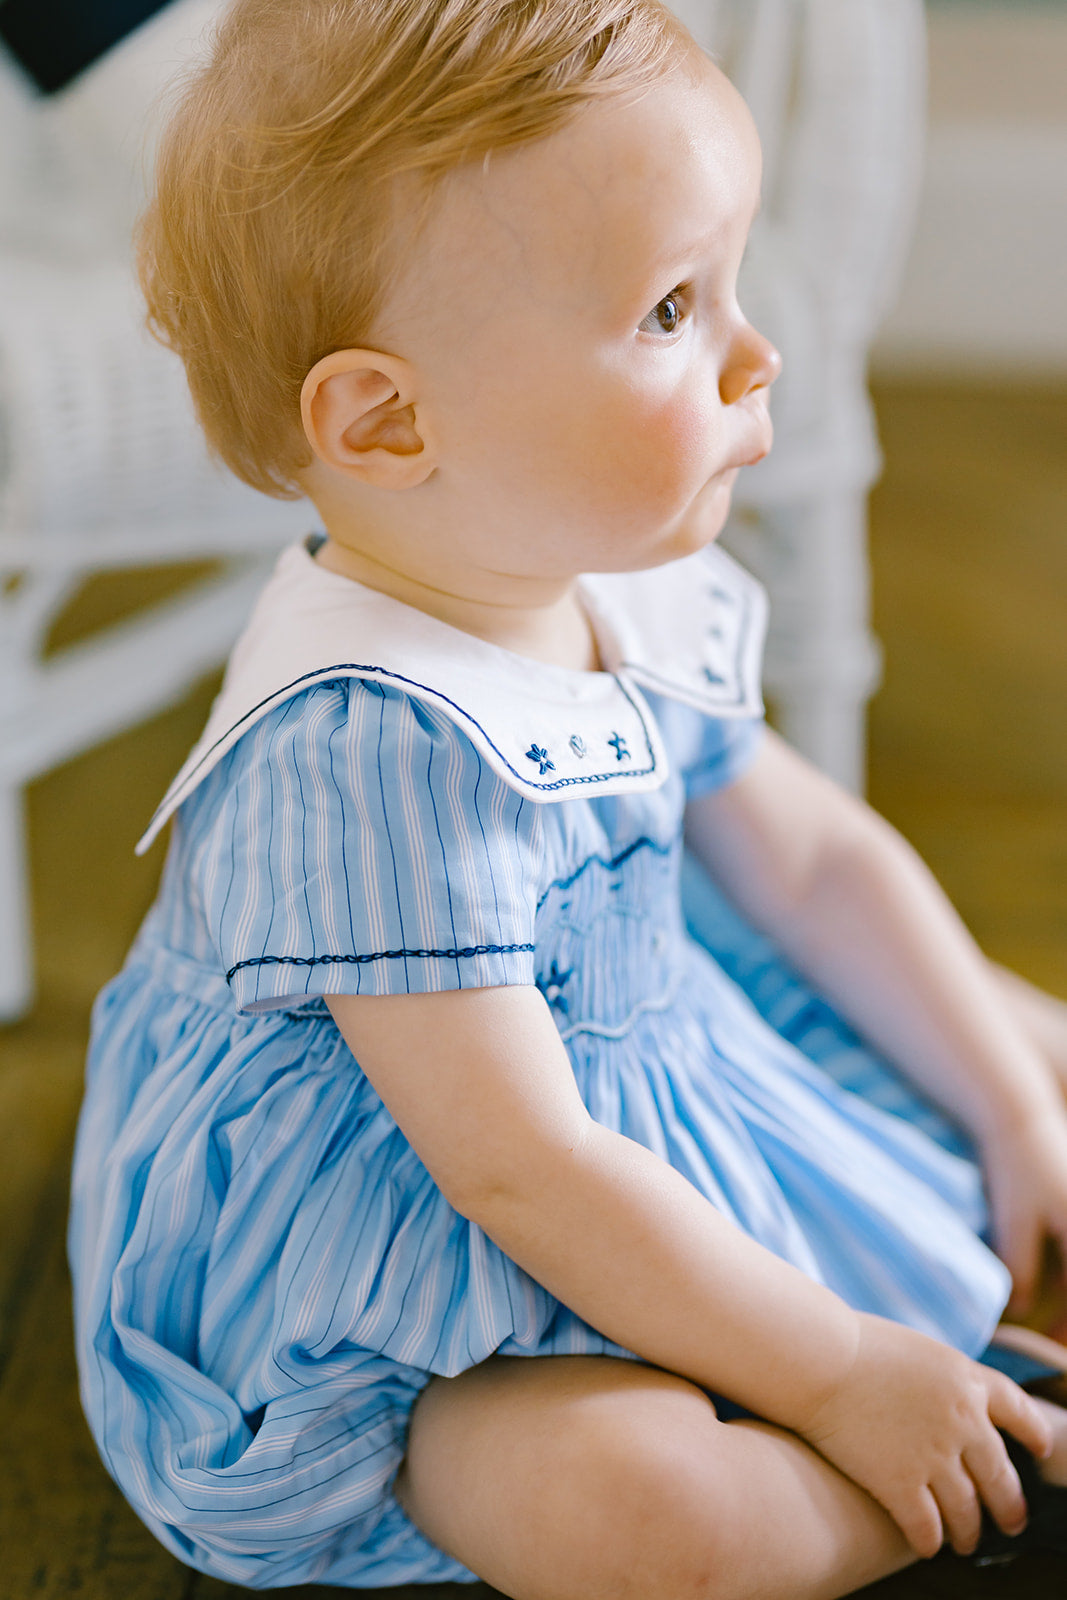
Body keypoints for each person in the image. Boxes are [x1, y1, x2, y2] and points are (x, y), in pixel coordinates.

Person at [68, 0, 1067, 1594]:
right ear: (389, 421)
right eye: (674, 307)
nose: (758, 351)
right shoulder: (364, 755)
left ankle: (962, 1273)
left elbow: (809, 867)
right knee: (639, 1515)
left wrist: (1019, 1110)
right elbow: (522, 1167)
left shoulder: (605, 562)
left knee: (1013, 1036)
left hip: (625, 1058)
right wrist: (832, 1373)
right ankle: (980, 1468)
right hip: (412, 1266)